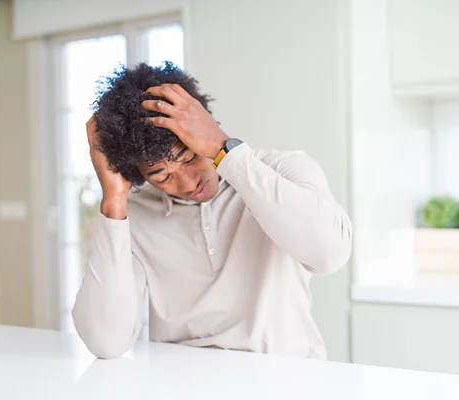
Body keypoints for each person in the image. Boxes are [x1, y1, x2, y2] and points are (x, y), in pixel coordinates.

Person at [72, 62, 352, 360]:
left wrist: (223, 150)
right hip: (185, 382)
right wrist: (114, 199)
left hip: (286, 378)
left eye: (191, 157)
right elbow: (106, 342)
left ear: (205, 127)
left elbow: (330, 254)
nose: (189, 182)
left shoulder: (282, 169)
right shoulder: (135, 216)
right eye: (163, 177)